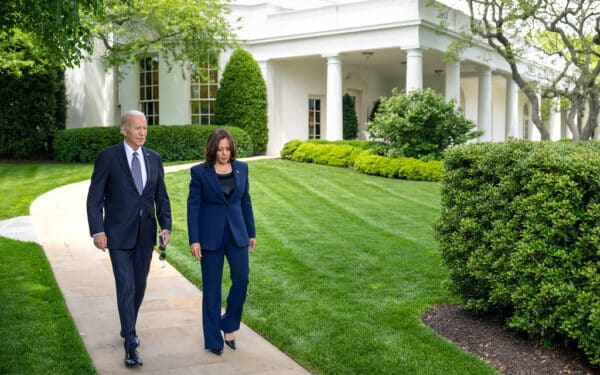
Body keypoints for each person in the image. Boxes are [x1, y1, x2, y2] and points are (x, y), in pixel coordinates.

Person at [86, 110, 172, 367]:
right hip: (118, 235)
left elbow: (161, 197)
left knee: (140, 285)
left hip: (146, 234)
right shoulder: (108, 158)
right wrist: (98, 230)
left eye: (145, 128)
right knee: (126, 286)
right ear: (124, 130)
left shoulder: (153, 158)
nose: (143, 132)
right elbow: (94, 199)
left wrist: (165, 226)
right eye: (137, 128)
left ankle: (128, 324)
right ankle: (131, 342)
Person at [187, 128, 256, 356]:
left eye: (227, 149)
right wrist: (194, 239)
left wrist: (251, 233)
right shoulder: (200, 172)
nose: (224, 153)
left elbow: (245, 201)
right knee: (212, 288)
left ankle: (229, 324)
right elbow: (193, 207)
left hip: (237, 234)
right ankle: (213, 340)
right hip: (210, 237)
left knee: (242, 280)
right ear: (213, 149)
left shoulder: (242, 168)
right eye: (220, 149)